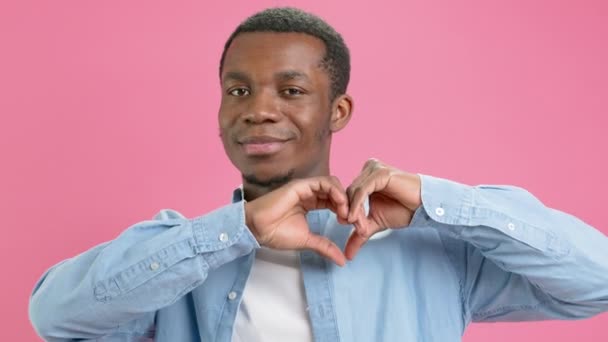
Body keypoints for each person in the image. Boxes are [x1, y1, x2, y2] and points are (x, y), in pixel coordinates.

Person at [29, 7, 608, 342]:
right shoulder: (177, 257)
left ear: (338, 111)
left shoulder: (432, 252)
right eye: (238, 90)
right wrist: (237, 231)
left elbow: (596, 281)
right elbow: (53, 316)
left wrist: (435, 201)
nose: (258, 108)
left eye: (292, 90)